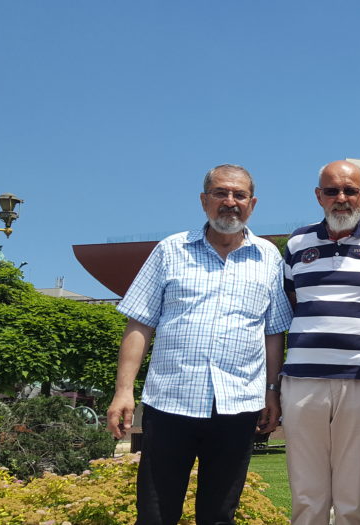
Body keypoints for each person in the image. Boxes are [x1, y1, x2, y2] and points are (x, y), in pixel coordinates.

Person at [105, 164, 292, 525]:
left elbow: (273, 331)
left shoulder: (269, 258)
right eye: (221, 193)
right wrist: (123, 391)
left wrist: (272, 391)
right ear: (204, 200)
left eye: (239, 195)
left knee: (219, 515)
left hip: (238, 405)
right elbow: (139, 322)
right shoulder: (170, 250)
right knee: (155, 514)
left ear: (252, 204)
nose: (230, 201)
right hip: (171, 401)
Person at [280, 161, 360, 524]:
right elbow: (291, 304)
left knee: (354, 497)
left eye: (350, 190)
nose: (341, 198)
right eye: (332, 190)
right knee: (307, 495)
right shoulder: (296, 244)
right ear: (318, 196)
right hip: (302, 382)